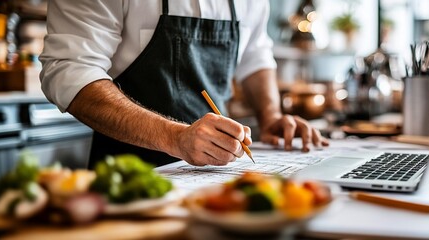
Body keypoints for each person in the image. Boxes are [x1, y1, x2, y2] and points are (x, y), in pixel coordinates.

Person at [39, 0, 329, 168]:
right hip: (132, 180)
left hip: (217, 177)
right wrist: (175, 138)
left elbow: (255, 54)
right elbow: (71, 69)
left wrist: (271, 117)